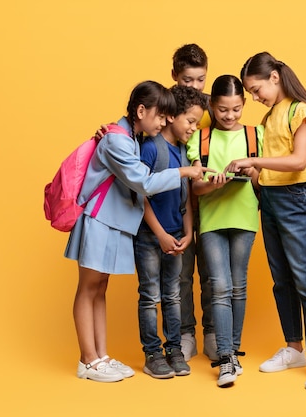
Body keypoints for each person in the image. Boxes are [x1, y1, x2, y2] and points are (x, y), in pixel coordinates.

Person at [65, 80, 211, 383]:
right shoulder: (118, 141)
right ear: (141, 110)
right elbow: (143, 182)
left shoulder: (128, 137)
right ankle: (88, 360)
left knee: (99, 290)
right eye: (159, 116)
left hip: (111, 223)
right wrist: (185, 171)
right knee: (88, 288)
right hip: (97, 221)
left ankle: (100, 356)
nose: (163, 122)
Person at [224, 52, 306, 390]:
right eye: (252, 94)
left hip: (296, 199)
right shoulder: (272, 115)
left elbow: (300, 160)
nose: (256, 98)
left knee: (305, 276)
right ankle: (294, 347)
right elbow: (270, 168)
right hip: (270, 200)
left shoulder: (300, 111)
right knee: (282, 279)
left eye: (257, 90)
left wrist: (253, 159)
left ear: (274, 77)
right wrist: (248, 170)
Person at [187, 75, 263, 387]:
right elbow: (196, 187)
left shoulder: (255, 134)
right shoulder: (201, 137)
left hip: (244, 218)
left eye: (235, 109)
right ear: (211, 107)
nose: (229, 116)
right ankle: (226, 356)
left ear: (243, 104)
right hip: (212, 220)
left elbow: (263, 183)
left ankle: (232, 350)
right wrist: (212, 183)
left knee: (238, 286)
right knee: (219, 285)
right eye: (222, 110)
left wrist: (252, 170)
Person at [134, 86, 209, 379]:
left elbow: (185, 198)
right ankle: (152, 352)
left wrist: (188, 232)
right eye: (190, 121)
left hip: (178, 235)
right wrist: (161, 234)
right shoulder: (151, 148)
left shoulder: (182, 151)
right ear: (170, 116)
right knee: (150, 295)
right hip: (151, 237)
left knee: (173, 295)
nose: (193, 128)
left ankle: (174, 348)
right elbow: (140, 195)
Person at [170, 43, 217, 361]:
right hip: (176, 203)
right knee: (181, 274)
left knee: (214, 272)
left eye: (201, 79)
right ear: (174, 76)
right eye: (188, 80)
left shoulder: (215, 108)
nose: (195, 87)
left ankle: (214, 333)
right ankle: (186, 334)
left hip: (212, 200)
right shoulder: (164, 105)